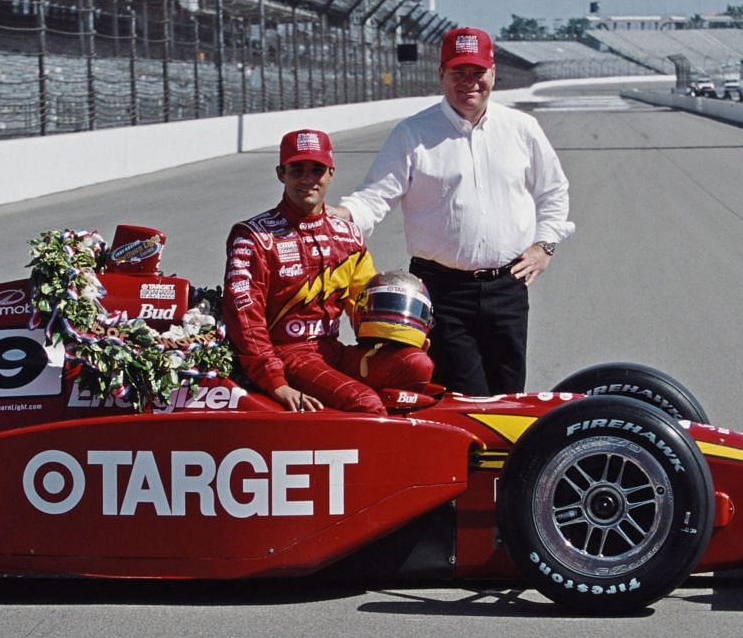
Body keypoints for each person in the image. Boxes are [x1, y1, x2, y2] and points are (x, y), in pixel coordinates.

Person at [336, 25, 573, 395]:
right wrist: (342, 217)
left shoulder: (522, 129)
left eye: (478, 73)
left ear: (493, 73)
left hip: (508, 288)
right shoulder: (413, 134)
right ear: (441, 75)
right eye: (458, 73)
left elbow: (554, 191)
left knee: (509, 398)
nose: (469, 83)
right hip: (442, 292)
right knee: (465, 399)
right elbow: (375, 197)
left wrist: (545, 246)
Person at [224, 129, 384, 414]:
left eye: (317, 170)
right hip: (286, 356)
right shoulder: (254, 237)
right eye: (297, 170)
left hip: (331, 351)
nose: (308, 179)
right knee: (366, 403)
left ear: (331, 173)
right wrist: (276, 383)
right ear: (280, 174)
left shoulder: (349, 236)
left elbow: (367, 306)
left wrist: (401, 340)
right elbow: (245, 319)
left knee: (416, 367)